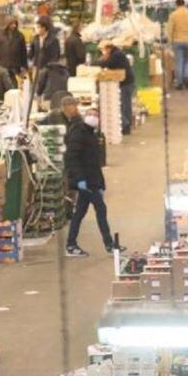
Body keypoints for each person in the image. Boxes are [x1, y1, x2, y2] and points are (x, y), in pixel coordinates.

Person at [62, 97, 124, 257]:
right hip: (86, 182)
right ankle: (109, 245)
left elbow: (95, 164)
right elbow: (72, 157)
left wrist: (101, 184)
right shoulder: (79, 132)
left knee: (79, 213)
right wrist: (79, 179)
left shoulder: (92, 135)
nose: (93, 117)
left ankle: (71, 244)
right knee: (100, 209)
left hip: (92, 181)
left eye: (96, 115)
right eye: (90, 114)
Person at [97, 40, 136, 136]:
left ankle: (126, 125)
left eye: (103, 50)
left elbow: (106, 63)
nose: (103, 52)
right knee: (125, 104)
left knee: (124, 105)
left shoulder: (116, 55)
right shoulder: (116, 53)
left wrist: (102, 59)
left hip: (126, 82)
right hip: (125, 82)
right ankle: (127, 125)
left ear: (108, 48)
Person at [30, 16, 67, 102]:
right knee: (36, 88)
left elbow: (56, 55)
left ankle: (46, 102)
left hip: (48, 68)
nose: (37, 29)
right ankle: (37, 103)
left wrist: (50, 65)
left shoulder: (53, 39)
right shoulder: (35, 39)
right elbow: (31, 53)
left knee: (47, 86)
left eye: (39, 27)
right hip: (37, 67)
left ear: (44, 28)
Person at [166, 0, 188, 89]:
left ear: (176, 5)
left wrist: (170, 41)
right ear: (184, 4)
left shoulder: (173, 15)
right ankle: (186, 78)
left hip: (177, 41)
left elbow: (169, 30)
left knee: (179, 62)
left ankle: (179, 82)